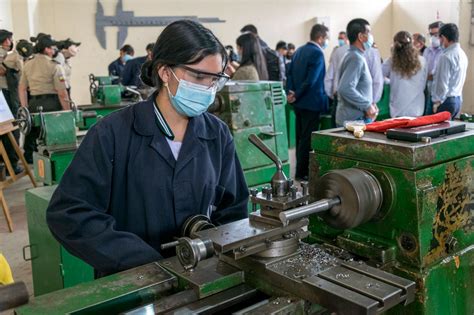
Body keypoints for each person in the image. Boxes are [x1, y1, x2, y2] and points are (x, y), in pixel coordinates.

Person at [46, 20, 248, 276]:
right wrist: (142, 263)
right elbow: (69, 213)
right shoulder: (112, 134)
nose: (208, 88)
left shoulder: (216, 134)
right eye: (198, 76)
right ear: (165, 72)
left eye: (215, 79)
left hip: (202, 275)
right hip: (134, 282)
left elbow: (234, 208)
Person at [286, 24, 329, 181]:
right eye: (326, 38)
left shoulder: (298, 51)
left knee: (299, 138)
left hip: (298, 103)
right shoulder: (317, 53)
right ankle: (303, 172)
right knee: (308, 139)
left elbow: (289, 74)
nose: (326, 41)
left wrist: (290, 93)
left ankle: (299, 169)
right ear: (320, 37)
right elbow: (311, 80)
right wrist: (297, 94)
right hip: (311, 102)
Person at [18, 34, 70, 164]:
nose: (54, 51)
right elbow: (62, 92)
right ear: (46, 49)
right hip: (52, 105)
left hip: (34, 104)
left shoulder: (28, 65)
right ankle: (54, 164)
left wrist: (25, 108)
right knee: (56, 139)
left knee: (35, 138)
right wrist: (68, 112)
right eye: (52, 48)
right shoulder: (55, 66)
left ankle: (38, 164)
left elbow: (22, 88)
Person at [336, 18, 378, 127]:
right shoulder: (356, 58)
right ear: (360, 36)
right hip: (354, 121)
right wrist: (367, 105)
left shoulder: (353, 55)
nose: (371, 36)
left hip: (355, 119)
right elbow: (345, 88)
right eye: (368, 32)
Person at [382, 31, 428, 118]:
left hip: (397, 109)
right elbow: (423, 84)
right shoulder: (422, 61)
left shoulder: (391, 61)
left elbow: (379, 77)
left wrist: (389, 81)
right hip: (417, 108)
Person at [431, 23, 468, 118]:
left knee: (440, 132)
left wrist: (437, 102)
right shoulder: (462, 54)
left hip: (445, 101)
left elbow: (442, 82)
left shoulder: (446, 57)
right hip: (457, 100)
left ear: (443, 38)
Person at [0, 30, 23, 174]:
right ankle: (12, 165)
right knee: (12, 129)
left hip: (6, 95)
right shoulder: (7, 55)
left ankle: (6, 164)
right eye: (8, 39)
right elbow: (3, 71)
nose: (10, 42)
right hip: (6, 95)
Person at [324, 31, 349, 127]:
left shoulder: (337, 52)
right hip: (355, 99)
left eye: (342, 38)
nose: (340, 40)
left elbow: (329, 76)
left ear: (347, 38)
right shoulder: (363, 52)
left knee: (336, 128)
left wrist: (332, 94)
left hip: (338, 95)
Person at [423, 21, 443, 114]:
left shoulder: (444, 52)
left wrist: (426, 76)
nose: (434, 37)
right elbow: (423, 70)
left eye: (436, 34)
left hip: (440, 95)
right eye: (431, 34)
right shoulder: (427, 51)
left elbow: (435, 75)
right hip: (427, 89)